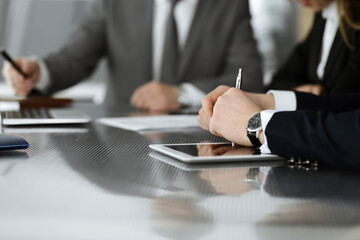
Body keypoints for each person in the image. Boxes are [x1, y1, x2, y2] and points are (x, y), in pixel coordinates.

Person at [1, 0, 263, 112]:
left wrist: (182, 94)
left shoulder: (230, 4)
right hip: (121, 138)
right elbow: (75, 57)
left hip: (201, 139)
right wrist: (40, 70)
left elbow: (249, 78)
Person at [268, 0, 360, 95]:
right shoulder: (322, 16)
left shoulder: (354, 24)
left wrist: (301, 98)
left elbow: (344, 99)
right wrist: (299, 91)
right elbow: (276, 83)